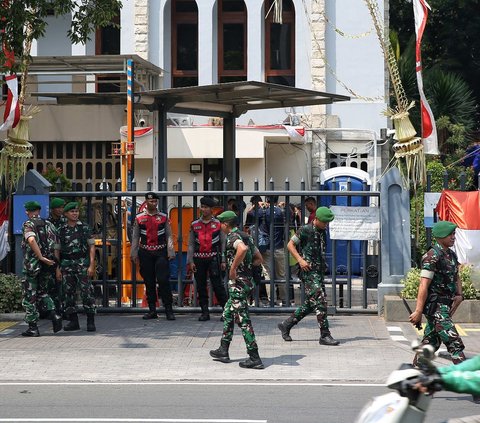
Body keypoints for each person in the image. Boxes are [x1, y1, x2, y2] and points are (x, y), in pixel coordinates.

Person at [209, 210, 265, 369]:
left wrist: (234, 269)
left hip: (238, 284)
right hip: (247, 282)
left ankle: (254, 357)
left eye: (221, 223)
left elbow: (242, 250)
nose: (220, 225)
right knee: (227, 313)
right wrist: (246, 269)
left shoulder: (233, 237)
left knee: (243, 320)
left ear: (226, 224)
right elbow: (258, 259)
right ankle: (223, 350)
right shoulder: (246, 236)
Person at [277, 206, 339, 346]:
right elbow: (290, 245)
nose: (326, 225)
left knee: (312, 304)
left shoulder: (322, 231)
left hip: (318, 271)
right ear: (316, 219)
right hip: (308, 271)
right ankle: (325, 335)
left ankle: (286, 325)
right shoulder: (305, 230)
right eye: (324, 222)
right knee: (321, 301)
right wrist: (300, 260)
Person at [409, 220, 465, 366]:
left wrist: (459, 294)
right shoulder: (432, 256)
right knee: (453, 341)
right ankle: (467, 372)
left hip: (446, 305)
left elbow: (456, 275)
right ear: (441, 236)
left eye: (454, 234)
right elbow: (423, 285)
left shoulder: (451, 255)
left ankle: (418, 366)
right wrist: (418, 311)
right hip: (436, 307)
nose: (453, 237)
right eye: (450, 234)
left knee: (432, 341)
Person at [130, 192, 176, 321]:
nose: (154, 204)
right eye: (151, 201)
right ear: (146, 202)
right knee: (149, 282)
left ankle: (168, 309)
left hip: (161, 252)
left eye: (155, 201)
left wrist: (170, 251)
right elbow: (135, 237)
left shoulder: (163, 217)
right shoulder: (139, 218)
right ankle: (152, 310)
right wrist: (133, 253)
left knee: (163, 281)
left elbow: (169, 235)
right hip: (145, 253)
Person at [21, 201, 63, 337]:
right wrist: (54, 264)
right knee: (43, 293)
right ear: (39, 210)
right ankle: (54, 315)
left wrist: (40, 257)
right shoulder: (49, 224)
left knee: (30, 296)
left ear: (28, 212)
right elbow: (56, 246)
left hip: (33, 265)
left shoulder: (29, 224)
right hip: (48, 266)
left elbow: (31, 240)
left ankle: (33, 328)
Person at [187, 196, 227, 321]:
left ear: (211, 209)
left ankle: (226, 312)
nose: (203, 209)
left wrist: (224, 260)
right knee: (201, 286)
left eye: (206, 207)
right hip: (198, 259)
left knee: (218, 286)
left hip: (214, 258)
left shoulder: (218, 224)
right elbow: (191, 244)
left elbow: (223, 243)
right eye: (202, 207)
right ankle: (205, 312)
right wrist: (191, 261)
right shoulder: (194, 224)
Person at [58, 202, 97, 332]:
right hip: (67, 265)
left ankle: (90, 320)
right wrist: (57, 267)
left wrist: (91, 264)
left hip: (82, 264)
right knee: (68, 294)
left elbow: (92, 246)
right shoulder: (61, 230)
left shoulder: (84, 228)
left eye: (76, 211)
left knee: (87, 293)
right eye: (72, 211)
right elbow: (56, 250)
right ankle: (73, 321)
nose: (75, 214)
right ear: (66, 214)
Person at [254, 195, 287, 305]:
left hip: (265, 248)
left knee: (268, 274)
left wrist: (257, 206)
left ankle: (272, 300)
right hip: (279, 247)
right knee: (281, 275)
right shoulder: (281, 212)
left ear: (266, 200)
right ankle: (284, 300)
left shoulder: (262, 212)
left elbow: (250, 215)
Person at [46, 197, 66, 315]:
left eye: (62, 207)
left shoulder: (65, 221)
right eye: (58, 207)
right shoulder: (47, 222)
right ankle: (51, 310)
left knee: (63, 284)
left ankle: (62, 309)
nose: (60, 210)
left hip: (63, 256)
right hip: (49, 256)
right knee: (50, 284)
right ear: (52, 209)